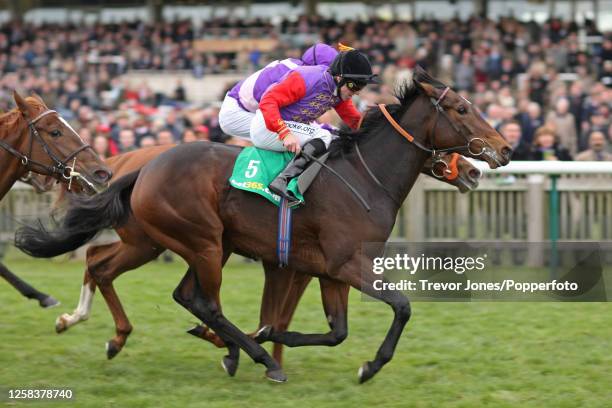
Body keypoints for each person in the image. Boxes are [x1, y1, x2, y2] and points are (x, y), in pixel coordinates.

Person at [255, 48, 379, 202]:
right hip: (267, 127)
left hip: (285, 127)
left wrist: (381, 130)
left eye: (361, 87)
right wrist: (284, 132)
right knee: (324, 134)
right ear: (339, 78)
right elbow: (268, 101)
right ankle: (283, 180)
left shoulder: (339, 93)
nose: (357, 92)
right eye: (355, 86)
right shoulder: (307, 78)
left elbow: (355, 121)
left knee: (334, 136)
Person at [218, 43, 340, 141]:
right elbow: (270, 106)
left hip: (250, 110)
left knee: (320, 133)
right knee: (314, 137)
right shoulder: (299, 75)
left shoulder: (304, 72)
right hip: (237, 113)